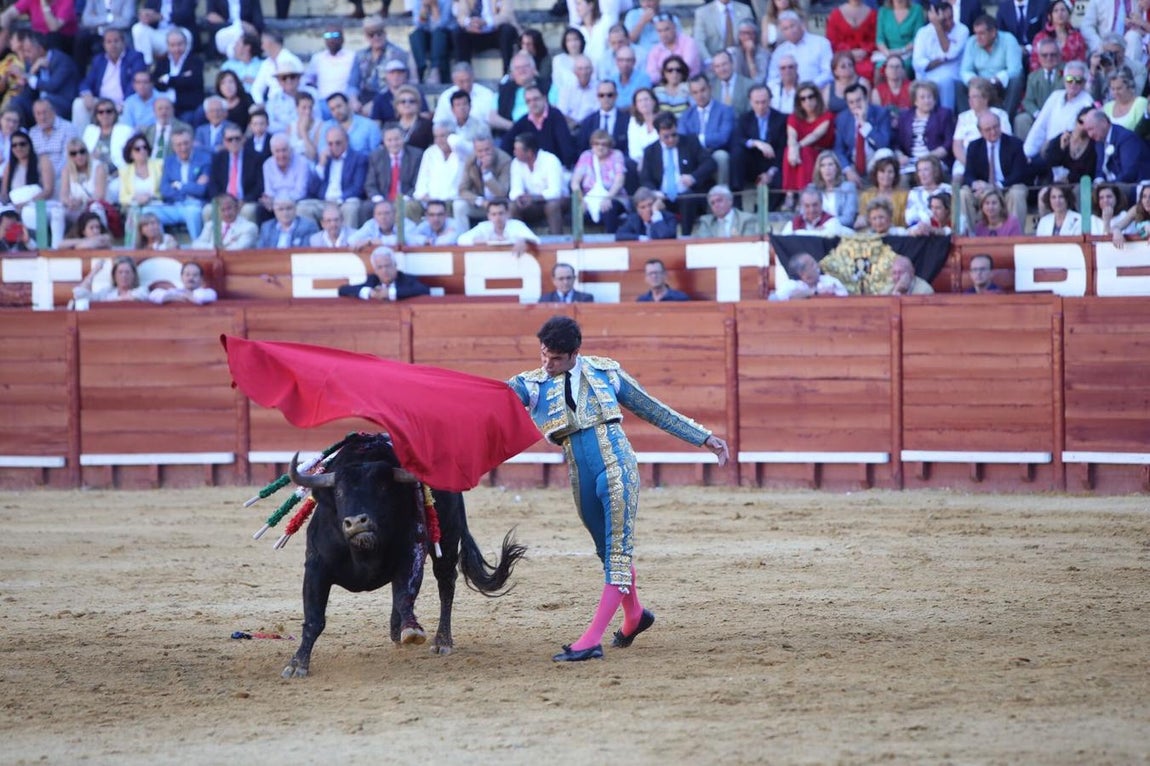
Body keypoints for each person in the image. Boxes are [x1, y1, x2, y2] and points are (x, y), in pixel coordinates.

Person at [506, 315, 728, 662]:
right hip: (579, 473)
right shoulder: (530, 383)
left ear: (574, 354)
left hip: (617, 464)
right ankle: (635, 615)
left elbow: (653, 408)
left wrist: (703, 437)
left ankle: (591, 641)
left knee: (618, 553)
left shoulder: (606, 372)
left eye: (556, 359)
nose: (547, 364)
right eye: (543, 356)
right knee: (605, 552)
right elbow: (492, 400)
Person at [640, 111, 715, 235]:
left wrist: (693, 177)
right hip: (662, 196)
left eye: (674, 135)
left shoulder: (690, 142)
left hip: (686, 194)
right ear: (658, 134)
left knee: (687, 197)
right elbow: (645, 178)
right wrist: (655, 192)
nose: (671, 140)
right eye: (666, 136)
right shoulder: (650, 151)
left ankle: (686, 236)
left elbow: (710, 163)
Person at [72, 29, 147, 132]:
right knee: (79, 103)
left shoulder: (135, 57)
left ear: (123, 42)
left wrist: (125, 103)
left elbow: (136, 83)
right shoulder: (99, 60)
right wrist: (87, 94)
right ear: (104, 44)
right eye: (109, 42)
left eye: (116, 41)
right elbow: (87, 82)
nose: (113, 45)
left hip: (123, 103)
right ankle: (81, 143)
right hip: (101, 102)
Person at [1, 129, 63, 246]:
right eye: (14, 145)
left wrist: (27, 203)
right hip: (15, 205)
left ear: (29, 144)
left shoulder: (42, 161)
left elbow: (48, 190)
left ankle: (42, 247)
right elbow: (4, 194)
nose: (18, 148)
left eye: (22, 144)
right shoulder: (9, 167)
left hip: (39, 203)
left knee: (31, 212)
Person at [1023, 61, 1093, 160]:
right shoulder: (1056, 96)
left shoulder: (1087, 103)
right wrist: (1027, 153)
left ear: (1084, 83)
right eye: (1069, 79)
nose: (1073, 83)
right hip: (1046, 151)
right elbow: (1040, 126)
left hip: (1068, 156)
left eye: (1078, 80)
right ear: (1064, 80)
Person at [782, 82, 835, 209]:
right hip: (801, 153)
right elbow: (791, 137)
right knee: (789, 150)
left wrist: (796, 147)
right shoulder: (794, 118)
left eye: (811, 97)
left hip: (821, 152)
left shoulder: (826, 115)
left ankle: (802, 196)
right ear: (799, 102)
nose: (808, 101)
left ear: (817, 97)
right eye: (803, 98)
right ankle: (789, 195)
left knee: (803, 151)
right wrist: (793, 149)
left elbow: (815, 135)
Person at [958, 15, 1024, 115]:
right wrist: (975, 80)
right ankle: (970, 120)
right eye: (976, 33)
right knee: (958, 85)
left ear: (993, 32)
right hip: (979, 84)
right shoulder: (972, 42)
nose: (977, 38)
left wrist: (995, 80)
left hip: (1001, 84)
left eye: (981, 33)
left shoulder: (1008, 40)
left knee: (1017, 79)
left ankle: (1006, 117)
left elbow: (1015, 69)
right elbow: (964, 70)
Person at [952, 77, 1014, 182]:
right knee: (957, 179)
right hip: (967, 160)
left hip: (993, 156)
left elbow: (1006, 139)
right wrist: (969, 164)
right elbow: (957, 146)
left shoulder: (1000, 115)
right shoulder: (963, 117)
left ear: (985, 98)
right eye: (969, 97)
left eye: (975, 97)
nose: (970, 101)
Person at [912, 0, 969, 111]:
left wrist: (938, 27)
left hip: (952, 75)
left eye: (951, 18)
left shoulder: (962, 30)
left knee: (945, 81)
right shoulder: (923, 32)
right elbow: (917, 63)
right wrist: (943, 59)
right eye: (944, 21)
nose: (949, 23)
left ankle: (947, 116)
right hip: (927, 76)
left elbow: (949, 52)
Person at [678, 75, 735, 187]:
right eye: (695, 92)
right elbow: (682, 139)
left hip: (715, 151)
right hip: (695, 154)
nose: (700, 95)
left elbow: (723, 137)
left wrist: (697, 139)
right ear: (691, 94)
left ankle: (721, 195)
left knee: (721, 156)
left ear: (710, 88)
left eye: (703, 90)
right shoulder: (686, 115)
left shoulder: (725, 110)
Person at [731, 84, 787, 194]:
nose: (760, 106)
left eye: (764, 102)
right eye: (757, 102)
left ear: (770, 100)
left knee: (779, 177)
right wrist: (756, 143)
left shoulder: (781, 119)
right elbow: (737, 139)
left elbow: (782, 148)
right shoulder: (745, 118)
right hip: (751, 162)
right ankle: (736, 196)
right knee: (737, 152)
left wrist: (770, 173)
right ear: (750, 102)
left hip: (772, 162)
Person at [834, 83, 891, 187]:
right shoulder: (842, 118)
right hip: (853, 161)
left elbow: (883, 143)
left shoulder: (881, 113)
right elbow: (839, 149)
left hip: (874, 160)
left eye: (858, 100)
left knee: (885, 153)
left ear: (866, 99)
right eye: (851, 102)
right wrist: (847, 170)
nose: (855, 105)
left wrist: (863, 123)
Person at [509, 132, 565, 236]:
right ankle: (520, 240)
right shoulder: (516, 163)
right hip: (531, 202)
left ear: (529, 152)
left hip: (556, 200)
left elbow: (555, 191)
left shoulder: (550, 160)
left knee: (552, 206)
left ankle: (556, 242)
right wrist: (520, 198)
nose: (514, 152)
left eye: (517, 150)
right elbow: (514, 190)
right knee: (512, 206)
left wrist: (533, 198)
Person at [571, 130, 627, 233]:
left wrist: (608, 198)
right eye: (596, 144)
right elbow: (575, 182)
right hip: (590, 197)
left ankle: (611, 240)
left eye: (604, 144)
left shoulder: (616, 155)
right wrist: (580, 199)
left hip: (614, 196)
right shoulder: (586, 156)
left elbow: (619, 181)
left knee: (609, 207)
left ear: (610, 145)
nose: (600, 147)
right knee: (576, 208)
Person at [894, 80, 954, 174]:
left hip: (935, 161)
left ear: (935, 99)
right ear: (915, 101)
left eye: (929, 97)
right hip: (911, 162)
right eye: (922, 97)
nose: (927, 101)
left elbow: (948, 143)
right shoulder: (904, 117)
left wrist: (931, 156)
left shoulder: (944, 114)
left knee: (929, 172)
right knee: (901, 177)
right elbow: (897, 143)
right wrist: (900, 156)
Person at [455, 132, 511, 230]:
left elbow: (502, 192)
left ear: (493, 147)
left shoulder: (505, 160)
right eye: (480, 151)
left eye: (487, 150)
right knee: (459, 205)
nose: (484, 154)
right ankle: (462, 239)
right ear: (475, 150)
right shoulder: (470, 160)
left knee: (511, 206)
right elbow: (462, 190)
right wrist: (480, 201)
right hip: (481, 205)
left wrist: (486, 173)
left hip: (500, 205)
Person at [766, 11, 833, 92]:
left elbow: (828, 72)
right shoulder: (779, 51)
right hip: (788, 97)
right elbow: (772, 79)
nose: (790, 31)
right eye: (785, 28)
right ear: (782, 32)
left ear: (801, 25)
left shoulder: (821, 43)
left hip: (817, 93)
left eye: (792, 26)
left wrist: (809, 88)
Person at [1084, 108, 1150, 189]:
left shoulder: (1126, 138)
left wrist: (1107, 187)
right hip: (1110, 188)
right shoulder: (1098, 141)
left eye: (1091, 129)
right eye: (1087, 131)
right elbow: (1099, 170)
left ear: (1104, 122)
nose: (1090, 135)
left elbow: (1129, 173)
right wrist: (1098, 181)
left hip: (1131, 187)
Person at [1015, 39, 1067, 141]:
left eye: (1053, 55)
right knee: (1021, 119)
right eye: (1044, 55)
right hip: (1039, 116)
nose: (1049, 58)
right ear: (1039, 57)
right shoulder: (1033, 76)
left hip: (1061, 115)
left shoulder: (1067, 72)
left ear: (1059, 56)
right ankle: (1026, 154)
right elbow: (1028, 100)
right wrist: (1037, 114)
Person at [340, 246, 432, 302]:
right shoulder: (372, 281)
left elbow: (424, 290)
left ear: (395, 265)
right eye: (380, 267)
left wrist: (390, 293)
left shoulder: (407, 279)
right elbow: (343, 290)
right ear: (375, 270)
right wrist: (370, 292)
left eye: (387, 266)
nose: (384, 271)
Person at [452, 0, 519, 75]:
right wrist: (470, 22)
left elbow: (506, 15)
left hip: (495, 32)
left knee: (507, 30)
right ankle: (463, 74)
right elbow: (461, 15)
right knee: (458, 32)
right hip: (475, 33)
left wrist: (486, 22)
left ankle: (507, 74)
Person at [153, 28, 205, 123]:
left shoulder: (195, 61)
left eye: (179, 44)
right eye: (172, 45)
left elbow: (193, 82)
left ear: (185, 44)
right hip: (165, 107)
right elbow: (157, 83)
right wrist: (181, 78)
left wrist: (168, 79)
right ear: (168, 46)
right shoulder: (162, 62)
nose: (176, 49)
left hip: (187, 108)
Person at [457, 197, 540, 255]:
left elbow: (536, 240)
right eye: (494, 214)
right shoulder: (483, 227)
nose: (497, 218)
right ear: (488, 216)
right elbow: (461, 240)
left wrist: (524, 240)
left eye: (501, 213)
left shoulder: (516, 225)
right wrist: (477, 241)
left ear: (508, 213)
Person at [59, 138, 109, 232]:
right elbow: (63, 196)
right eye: (74, 153)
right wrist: (69, 202)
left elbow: (100, 195)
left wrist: (82, 201)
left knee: (96, 207)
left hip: (93, 206)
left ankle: (102, 236)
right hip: (75, 208)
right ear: (69, 156)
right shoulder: (66, 170)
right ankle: (56, 244)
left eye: (82, 151)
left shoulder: (98, 167)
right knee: (58, 212)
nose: (79, 156)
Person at [825, 0, 877, 82]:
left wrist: (865, 51)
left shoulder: (873, 14)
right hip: (842, 56)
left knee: (873, 70)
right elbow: (832, 41)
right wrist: (848, 53)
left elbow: (875, 40)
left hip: (866, 57)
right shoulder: (835, 14)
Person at [645, 13, 703, 84]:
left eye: (666, 29)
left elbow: (686, 67)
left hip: (689, 84)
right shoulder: (655, 50)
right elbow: (651, 75)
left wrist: (662, 71)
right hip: (664, 87)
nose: (663, 34)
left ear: (674, 27)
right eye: (659, 31)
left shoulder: (688, 42)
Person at [693, 0, 754, 67]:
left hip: (741, 64)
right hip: (714, 63)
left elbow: (752, 37)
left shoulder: (745, 10)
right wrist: (710, 62)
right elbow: (698, 41)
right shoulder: (702, 13)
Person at [1029, 0, 1086, 71]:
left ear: (1069, 14)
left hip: (1070, 78)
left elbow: (1081, 63)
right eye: (1056, 11)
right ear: (1050, 16)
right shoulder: (1040, 37)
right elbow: (1034, 63)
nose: (1060, 13)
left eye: (1063, 10)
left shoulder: (1077, 37)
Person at [578, 81, 629, 159]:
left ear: (616, 96)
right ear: (597, 97)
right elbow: (582, 148)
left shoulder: (627, 120)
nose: (606, 98)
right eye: (601, 95)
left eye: (610, 95)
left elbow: (629, 148)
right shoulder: (588, 122)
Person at [409, 0, 455, 85]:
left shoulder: (447, 1)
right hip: (427, 35)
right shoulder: (417, 1)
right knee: (415, 35)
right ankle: (421, 67)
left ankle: (435, 69)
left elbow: (441, 24)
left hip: (445, 36)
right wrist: (424, 8)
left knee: (438, 34)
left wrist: (434, 6)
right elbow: (418, 24)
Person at [857, 153, 908, 227]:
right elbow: (863, 218)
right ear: (876, 174)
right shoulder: (866, 195)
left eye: (890, 172)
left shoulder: (904, 196)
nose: (886, 175)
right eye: (882, 171)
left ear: (895, 175)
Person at [72, 256, 149, 303]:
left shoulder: (141, 290)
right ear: (114, 276)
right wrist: (93, 272)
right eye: (120, 272)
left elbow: (129, 300)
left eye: (127, 272)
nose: (124, 276)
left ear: (134, 275)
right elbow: (80, 295)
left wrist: (105, 303)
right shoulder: (106, 292)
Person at [193, 193, 259, 249]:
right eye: (222, 210)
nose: (226, 213)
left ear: (237, 208)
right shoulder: (210, 225)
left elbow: (238, 249)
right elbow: (196, 245)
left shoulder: (250, 227)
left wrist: (214, 248)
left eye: (229, 208)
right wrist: (214, 247)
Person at [781, 185, 854, 235]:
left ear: (821, 204)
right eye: (807, 206)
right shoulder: (793, 223)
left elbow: (828, 235)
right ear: (802, 206)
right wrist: (815, 232)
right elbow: (783, 239)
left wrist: (796, 233)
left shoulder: (832, 221)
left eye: (815, 205)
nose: (811, 210)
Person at [875, 0, 924, 73]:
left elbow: (918, 38)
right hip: (888, 53)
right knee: (879, 68)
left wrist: (902, 51)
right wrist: (887, 52)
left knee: (900, 67)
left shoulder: (917, 10)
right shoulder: (883, 11)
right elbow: (880, 39)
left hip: (909, 53)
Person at [693, 183, 759, 237]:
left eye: (719, 200)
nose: (716, 205)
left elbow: (748, 244)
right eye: (712, 203)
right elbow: (704, 245)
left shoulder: (746, 219)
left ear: (730, 200)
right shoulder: (706, 222)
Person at [775, 252, 848, 299]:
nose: (817, 265)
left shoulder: (830, 281)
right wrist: (815, 292)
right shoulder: (790, 285)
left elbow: (845, 298)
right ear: (802, 273)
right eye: (812, 264)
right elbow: (773, 300)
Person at [119, 132, 163, 210]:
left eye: (144, 147)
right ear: (130, 154)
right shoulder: (125, 171)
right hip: (135, 207)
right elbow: (123, 198)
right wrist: (135, 198)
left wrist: (150, 197)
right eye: (137, 149)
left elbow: (164, 191)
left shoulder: (159, 165)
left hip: (156, 205)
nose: (142, 151)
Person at [1035, 183, 1102, 235]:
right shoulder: (1044, 221)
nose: (1057, 201)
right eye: (1053, 197)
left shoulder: (1079, 219)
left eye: (1061, 197)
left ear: (1067, 199)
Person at [149, 261, 218, 305]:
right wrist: (174, 297)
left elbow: (201, 297)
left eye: (195, 275)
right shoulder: (175, 291)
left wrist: (188, 296)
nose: (191, 278)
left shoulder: (209, 292)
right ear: (181, 277)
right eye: (187, 275)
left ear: (201, 279)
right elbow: (153, 295)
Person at [627, 87, 661, 168]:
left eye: (646, 99)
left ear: (654, 101)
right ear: (636, 105)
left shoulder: (663, 119)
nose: (643, 103)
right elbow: (634, 150)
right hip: (641, 163)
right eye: (639, 101)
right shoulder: (633, 121)